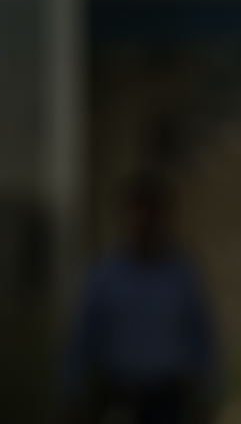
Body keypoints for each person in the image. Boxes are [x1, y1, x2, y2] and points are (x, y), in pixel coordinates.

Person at [62, 174, 216, 424]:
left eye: (152, 212)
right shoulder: (103, 275)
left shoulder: (182, 275)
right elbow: (81, 338)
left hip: (167, 395)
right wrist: (71, 394)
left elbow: (200, 337)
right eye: (137, 211)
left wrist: (207, 393)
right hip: (121, 393)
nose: (144, 221)